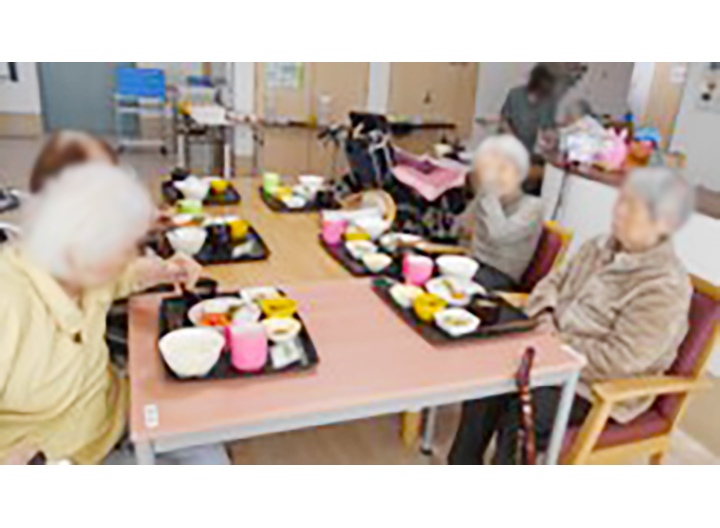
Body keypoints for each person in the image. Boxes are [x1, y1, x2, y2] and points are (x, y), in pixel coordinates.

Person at [449, 167, 694, 464]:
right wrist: (546, 317)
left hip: (593, 386)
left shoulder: (664, 285)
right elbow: (551, 284)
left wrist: (557, 342)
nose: (618, 212)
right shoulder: (598, 246)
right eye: (621, 201)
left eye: (632, 208)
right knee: (489, 375)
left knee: (523, 412)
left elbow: (621, 361)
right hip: (548, 353)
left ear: (664, 223)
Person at [0, 164, 228, 465]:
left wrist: (165, 270)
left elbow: (122, 277)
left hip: (117, 412)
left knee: (209, 447)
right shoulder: (10, 301)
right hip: (69, 456)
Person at [456, 135, 544, 290]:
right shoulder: (487, 197)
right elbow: (461, 226)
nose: (494, 176)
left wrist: (490, 194)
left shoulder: (533, 207)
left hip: (500, 276)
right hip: (472, 264)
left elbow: (498, 235)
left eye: (502, 169)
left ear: (519, 172)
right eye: (488, 170)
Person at [500, 64, 558, 155]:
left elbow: (548, 127)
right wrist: (512, 139)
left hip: (531, 149)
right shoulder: (515, 95)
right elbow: (504, 120)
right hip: (509, 145)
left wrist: (550, 139)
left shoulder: (549, 102)